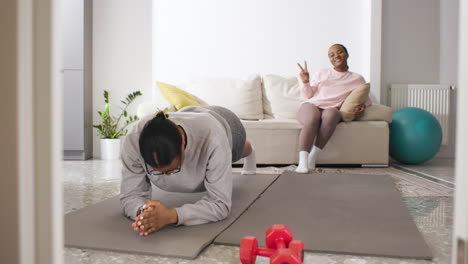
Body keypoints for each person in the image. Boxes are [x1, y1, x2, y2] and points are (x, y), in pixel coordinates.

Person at [120, 105, 257, 236]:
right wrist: (144, 212)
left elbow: (220, 204)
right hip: (187, 115)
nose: (167, 176)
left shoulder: (213, 137)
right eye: (158, 171)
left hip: (226, 123)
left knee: (236, 152)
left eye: (172, 169)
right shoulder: (132, 141)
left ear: (183, 143)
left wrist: (171, 216)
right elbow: (130, 195)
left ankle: (250, 150)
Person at [295, 44, 371, 173]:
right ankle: (302, 162)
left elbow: (364, 99)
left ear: (347, 54)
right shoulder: (322, 73)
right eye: (331, 55)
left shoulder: (357, 78)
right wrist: (306, 81)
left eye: (339, 52)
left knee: (333, 114)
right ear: (329, 59)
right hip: (312, 105)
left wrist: (362, 107)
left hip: (331, 108)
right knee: (313, 118)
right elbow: (308, 95)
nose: (336, 56)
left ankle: (313, 157)